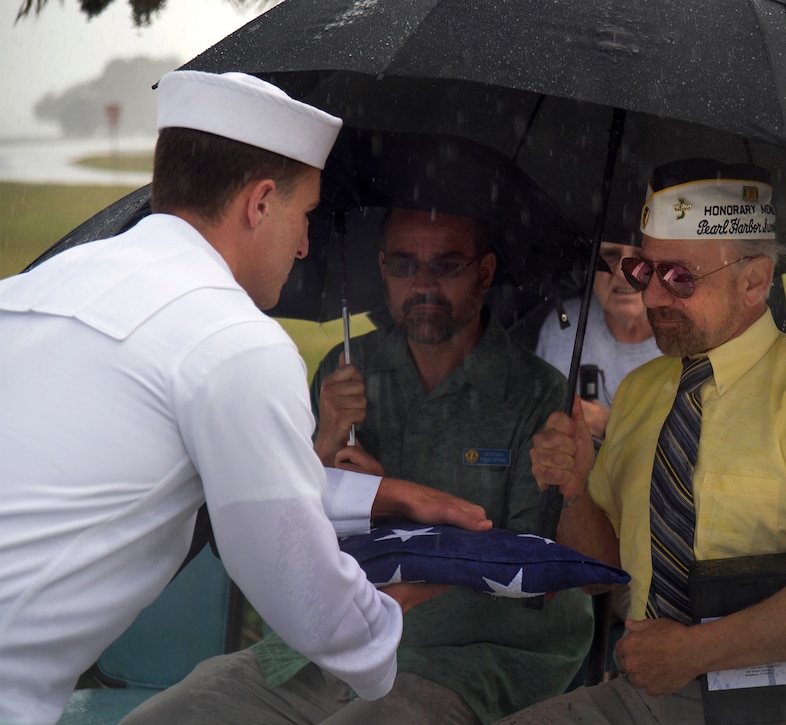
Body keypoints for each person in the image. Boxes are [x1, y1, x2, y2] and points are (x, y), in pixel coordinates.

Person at [0, 71, 491, 725]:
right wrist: (382, 625)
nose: (305, 245)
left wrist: (393, 495)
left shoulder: (30, 290)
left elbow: (236, 480)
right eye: (305, 216)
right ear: (260, 203)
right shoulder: (231, 340)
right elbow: (299, 586)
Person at [125, 206, 594, 725]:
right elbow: (286, 534)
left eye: (446, 266)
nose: (422, 284)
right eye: (403, 265)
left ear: (484, 273)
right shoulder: (346, 373)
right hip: (327, 650)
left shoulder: (537, 393)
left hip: (469, 657)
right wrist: (324, 450)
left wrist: (387, 502)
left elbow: (534, 569)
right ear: (380, 267)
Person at [506, 159, 786, 724]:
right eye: (645, 272)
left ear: (755, 281)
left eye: (680, 278)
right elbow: (605, 569)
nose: (649, 299)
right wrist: (572, 488)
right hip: (653, 692)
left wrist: (695, 652)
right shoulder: (643, 394)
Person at [534, 240, 658, 440]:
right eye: (609, 255)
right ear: (587, 269)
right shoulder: (564, 324)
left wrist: (612, 427)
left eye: (640, 256)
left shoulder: (686, 346)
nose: (622, 272)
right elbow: (533, 418)